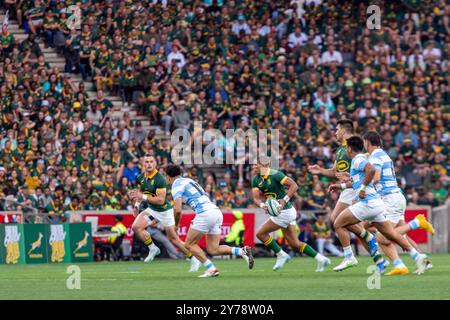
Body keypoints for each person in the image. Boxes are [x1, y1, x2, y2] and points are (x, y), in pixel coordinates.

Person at [328, 136, 428, 274]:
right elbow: (359, 179)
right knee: (390, 234)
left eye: (346, 148)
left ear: (349, 148)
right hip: (378, 204)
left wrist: (362, 189)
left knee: (338, 223)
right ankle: (417, 256)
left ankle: (349, 257)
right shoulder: (361, 159)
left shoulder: (358, 159)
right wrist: (341, 186)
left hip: (368, 203)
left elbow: (371, 171)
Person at [307, 119, 383, 266]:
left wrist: (359, 185)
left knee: (337, 220)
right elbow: (335, 172)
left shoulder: (357, 147)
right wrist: (320, 171)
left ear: (343, 130)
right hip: (348, 188)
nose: (335, 133)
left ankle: (351, 255)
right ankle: (378, 260)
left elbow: (368, 168)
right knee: (351, 226)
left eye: (336, 129)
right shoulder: (340, 151)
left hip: (355, 189)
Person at [362, 131, 435, 274]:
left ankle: (417, 223)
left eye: (364, 142)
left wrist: (363, 186)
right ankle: (423, 261)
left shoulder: (376, 156)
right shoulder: (382, 154)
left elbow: (376, 177)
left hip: (390, 199)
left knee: (383, 236)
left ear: (367, 142)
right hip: (394, 197)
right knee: (398, 234)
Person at [166, 164, 254, 278]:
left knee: (188, 244)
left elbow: (177, 210)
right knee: (213, 249)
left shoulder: (176, 184)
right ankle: (242, 251)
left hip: (204, 213)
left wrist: (176, 225)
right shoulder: (189, 180)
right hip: (215, 211)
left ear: (168, 177)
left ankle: (211, 268)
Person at [251, 160, 330, 272]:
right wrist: (262, 205)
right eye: (253, 164)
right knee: (295, 244)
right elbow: (255, 198)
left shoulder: (276, 175)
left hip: (285, 212)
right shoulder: (256, 179)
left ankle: (281, 255)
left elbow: (294, 185)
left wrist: (284, 200)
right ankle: (321, 259)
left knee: (261, 234)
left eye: (256, 164)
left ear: (265, 165)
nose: (253, 166)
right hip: (281, 212)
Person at [128, 154, 200, 272]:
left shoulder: (160, 179)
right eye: (146, 162)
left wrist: (142, 196)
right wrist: (136, 206)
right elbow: (139, 193)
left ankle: (193, 258)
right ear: (143, 164)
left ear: (155, 164)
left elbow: (161, 200)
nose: (149, 164)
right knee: (136, 227)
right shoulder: (140, 177)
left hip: (165, 211)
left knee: (173, 239)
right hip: (152, 210)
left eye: (151, 161)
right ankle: (153, 248)